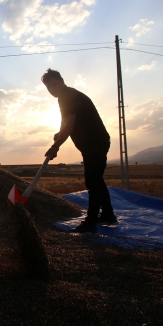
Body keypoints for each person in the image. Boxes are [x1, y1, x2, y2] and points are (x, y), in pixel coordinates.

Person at [42, 69, 117, 233]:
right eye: (49, 87)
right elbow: (66, 122)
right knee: (96, 179)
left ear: (61, 81)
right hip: (93, 144)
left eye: (54, 84)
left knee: (92, 181)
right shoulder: (66, 96)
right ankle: (108, 215)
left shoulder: (68, 97)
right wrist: (59, 134)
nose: (52, 89)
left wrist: (56, 146)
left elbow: (68, 126)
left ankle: (90, 223)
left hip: (95, 143)